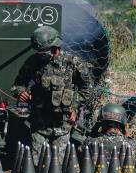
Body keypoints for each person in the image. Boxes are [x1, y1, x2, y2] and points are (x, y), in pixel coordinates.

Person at [11, 25, 92, 154]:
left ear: (55, 47)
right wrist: (21, 92)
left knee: (57, 165)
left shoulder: (73, 63)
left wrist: (74, 107)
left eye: (45, 50)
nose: (42, 54)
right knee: (37, 163)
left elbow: (86, 89)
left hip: (63, 124)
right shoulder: (33, 62)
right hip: (39, 124)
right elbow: (17, 85)